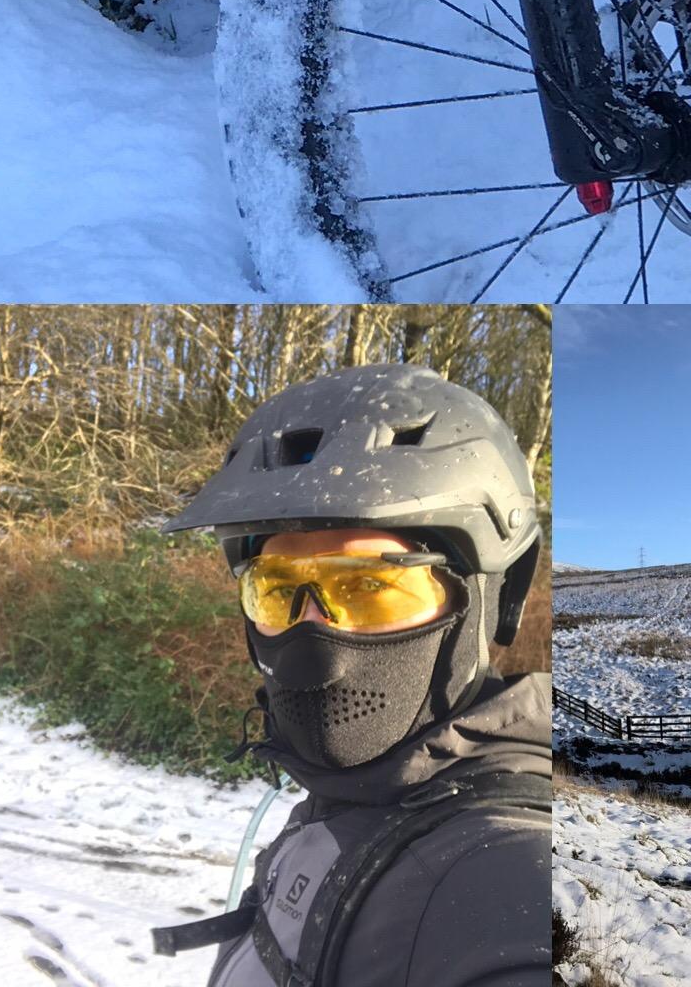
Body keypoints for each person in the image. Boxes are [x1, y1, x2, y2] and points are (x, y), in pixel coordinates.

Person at [154, 362, 552, 987]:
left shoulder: (507, 872)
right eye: (277, 589)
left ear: (493, 596)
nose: (318, 649)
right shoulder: (350, 798)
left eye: (371, 586)